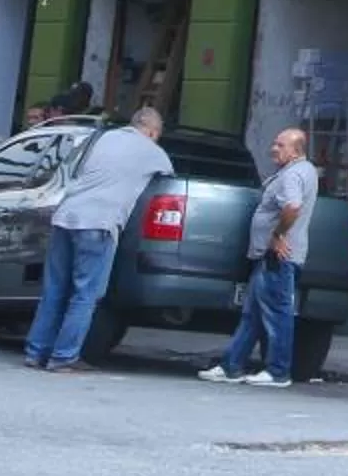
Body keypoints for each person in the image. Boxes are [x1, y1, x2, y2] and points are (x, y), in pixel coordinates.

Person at [23, 107, 171, 374]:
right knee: (85, 295)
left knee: (54, 291)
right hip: (98, 224)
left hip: (66, 216)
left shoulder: (104, 138)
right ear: (152, 131)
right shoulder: (153, 152)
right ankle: (64, 357)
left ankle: (36, 352)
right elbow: (169, 182)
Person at [200, 128, 317, 390]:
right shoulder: (299, 171)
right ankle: (232, 365)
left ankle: (278, 371)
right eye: (275, 143)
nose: (274, 148)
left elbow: (292, 207)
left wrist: (277, 235)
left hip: (277, 256)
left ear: (295, 150)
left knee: (277, 315)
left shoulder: (294, 174)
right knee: (252, 315)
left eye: (280, 145)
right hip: (272, 256)